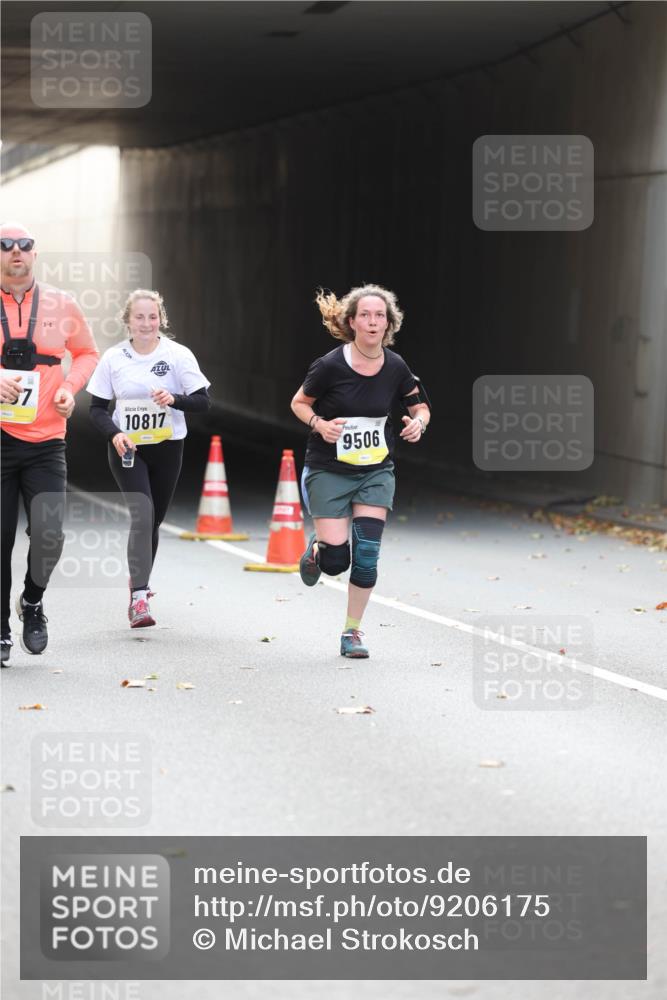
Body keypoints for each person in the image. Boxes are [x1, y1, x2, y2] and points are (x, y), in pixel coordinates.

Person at [290, 283, 431, 658]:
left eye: (380, 315)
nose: (373, 322)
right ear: (351, 322)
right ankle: (319, 552)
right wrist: (319, 424)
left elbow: (420, 407)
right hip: (329, 469)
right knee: (338, 562)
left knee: (367, 554)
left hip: (375, 471)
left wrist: (419, 423)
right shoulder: (330, 365)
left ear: (389, 324)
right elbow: (300, 402)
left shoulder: (396, 366)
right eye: (365, 315)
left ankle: (352, 632)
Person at [1, 222, 99, 666]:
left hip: (46, 442)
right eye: (5, 246)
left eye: (24, 246)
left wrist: (71, 388)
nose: (15, 252)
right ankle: (0, 630)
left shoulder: (62, 303)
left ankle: (33, 602)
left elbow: (86, 354)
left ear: (35, 255)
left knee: (49, 535)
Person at [87, 289, 211, 628]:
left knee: (153, 520)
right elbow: (96, 409)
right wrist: (115, 434)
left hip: (168, 447)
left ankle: (138, 583)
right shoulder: (114, 357)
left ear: (161, 319)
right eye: (139, 317)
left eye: (152, 317)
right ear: (127, 320)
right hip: (128, 448)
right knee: (142, 515)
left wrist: (174, 399)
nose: (146, 323)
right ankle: (139, 599)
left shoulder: (177, 355)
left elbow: (203, 402)